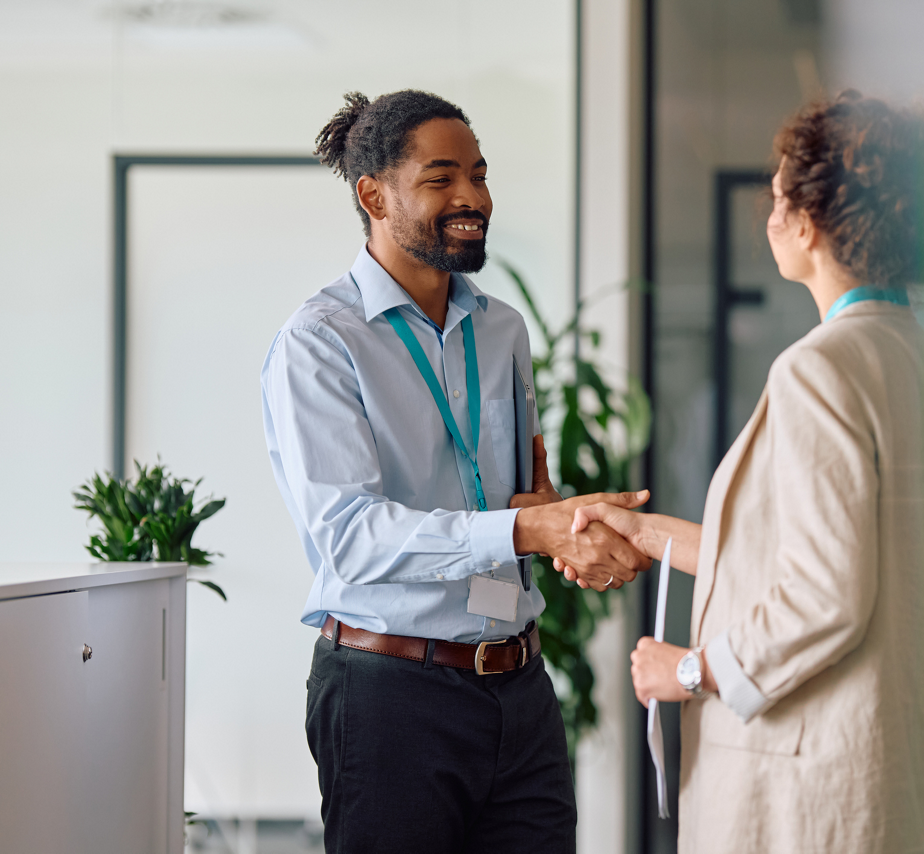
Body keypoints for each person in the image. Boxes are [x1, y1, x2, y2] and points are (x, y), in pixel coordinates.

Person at [565, 90, 924, 852]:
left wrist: (688, 672)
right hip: (895, 771)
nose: (770, 212)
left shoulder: (820, 370)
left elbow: (827, 595)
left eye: (779, 192)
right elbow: (812, 556)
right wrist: (644, 531)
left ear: (811, 222)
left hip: (810, 787)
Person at [260, 89, 648, 854]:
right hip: (390, 694)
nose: (472, 196)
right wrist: (524, 525)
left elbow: (514, 500)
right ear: (374, 194)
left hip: (519, 688)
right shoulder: (320, 342)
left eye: (479, 173)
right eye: (441, 178)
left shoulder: (500, 328)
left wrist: (560, 527)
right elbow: (350, 537)